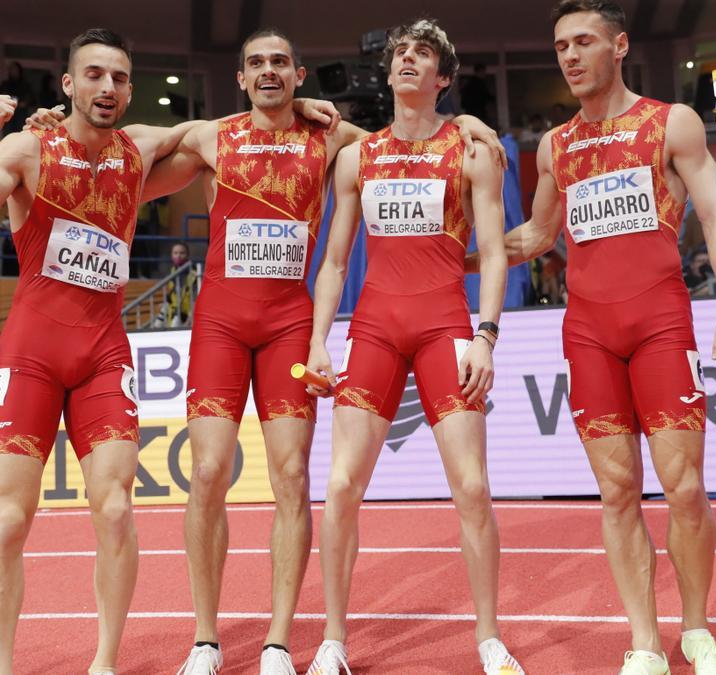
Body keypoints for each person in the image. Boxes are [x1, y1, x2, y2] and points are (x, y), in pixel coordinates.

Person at [26, 28, 504, 675]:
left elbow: (409, 144)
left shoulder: (331, 138)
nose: (269, 71)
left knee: (291, 480)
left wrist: (470, 120)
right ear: (242, 78)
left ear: (299, 74)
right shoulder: (209, 137)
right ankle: (205, 640)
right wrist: (55, 127)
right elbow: (118, 149)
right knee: (206, 474)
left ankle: (279, 641)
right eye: (257, 64)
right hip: (220, 326)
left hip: (289, 328)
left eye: (280, 62)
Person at [469, 2, 716, 673]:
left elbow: (715, 215)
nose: (570, 56)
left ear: (619, 45)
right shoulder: (554, 146)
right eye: (562, 46)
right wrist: (464, 248)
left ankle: (697, 628)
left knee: (683, 488)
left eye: (584, 42)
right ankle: (645, 642)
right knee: (619, 491)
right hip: (589, 332)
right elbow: (538, 236)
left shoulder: (670, 123)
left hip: (659, 321)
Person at [0, 29, 215, 675]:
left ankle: (104, 663)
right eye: (93, 75)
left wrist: (304, 111)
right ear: (67, 85)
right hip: (31, 352)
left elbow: (213, 134)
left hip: (102, 355)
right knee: (8, 520)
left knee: (115, 508)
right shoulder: (27, 149)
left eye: (119, 77)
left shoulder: (139, 149)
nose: (108, 88)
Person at [303, 17, 524, 675]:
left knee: (473, 486)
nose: (406, 60)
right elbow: (335, 261)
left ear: (444, 77)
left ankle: (488, 637)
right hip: (372, 329)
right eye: (400, 52)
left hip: (444, 328)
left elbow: (491, 250)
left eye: (422, 53)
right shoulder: (356, 157)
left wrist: (487, 334)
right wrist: (319, 339)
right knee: (341, 485)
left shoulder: (472, 151)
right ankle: (333, 640)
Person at [154, 241, 194, 328]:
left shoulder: (193, 273)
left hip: (187, 313)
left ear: (187, 255)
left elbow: (196, 296)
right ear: (171, 255)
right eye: (175, 253)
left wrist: (192, 315)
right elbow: (173, 293)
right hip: (174, 311)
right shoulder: (172, 271)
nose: (178, 256)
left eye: (182, 253)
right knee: (156, 326)